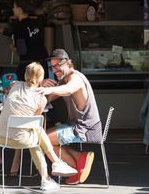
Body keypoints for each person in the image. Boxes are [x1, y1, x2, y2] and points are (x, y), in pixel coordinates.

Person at [0, 62, 77, 191]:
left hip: (0, 137)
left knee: (36, 133)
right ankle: (52, 169)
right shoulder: (41, 99)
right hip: (20, 140)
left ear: (25, 75)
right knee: (36, 134)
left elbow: (10, 108)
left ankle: (54, 168)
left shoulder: (14, 85)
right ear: (41, 78)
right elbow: (32, 122)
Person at [36, 49, 102, 185]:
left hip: (86, 128)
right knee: (43, 139)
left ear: (67, 63)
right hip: (75, 125)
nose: (54, 70)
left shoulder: (75, 78)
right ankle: (79, 158)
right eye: (52, 67)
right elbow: (47, 99)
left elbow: (69, 89)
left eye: (57, 65)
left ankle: (75, 168)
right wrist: (40, 85)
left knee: (44, 140)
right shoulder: (62, 81)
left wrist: (49, 89)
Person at [0, 0, 49, 81]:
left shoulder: (20, 27)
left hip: (31, 67)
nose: (13, 9)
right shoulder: (34, 23)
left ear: (19, 9)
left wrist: (14, 48)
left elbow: (22, 51)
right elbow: (10, 32)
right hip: (43, 64)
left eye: (14, 7)